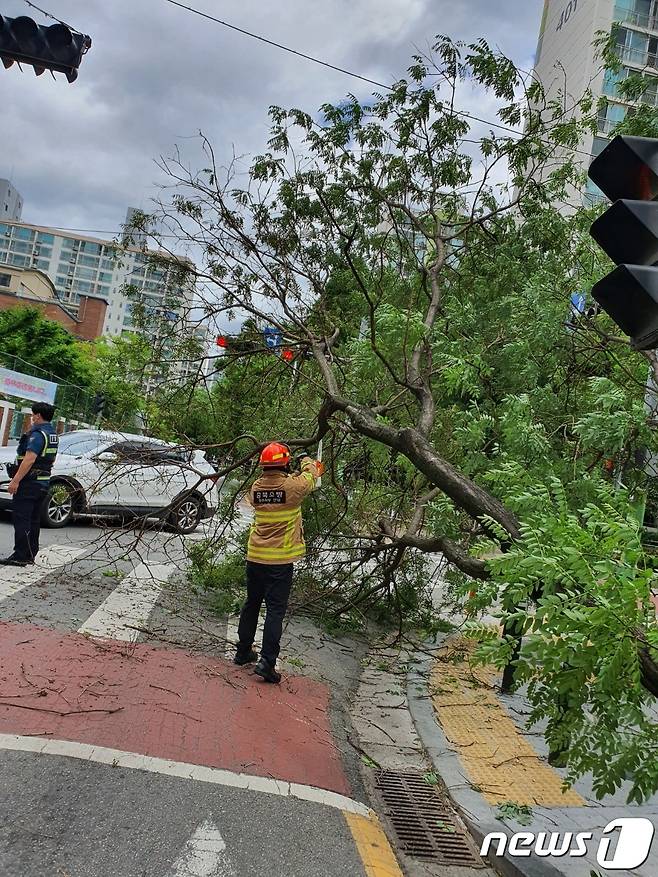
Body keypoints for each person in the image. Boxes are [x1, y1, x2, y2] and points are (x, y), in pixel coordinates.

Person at [234, 442, 322, 683]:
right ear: (285, 462)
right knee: (274, 610)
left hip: (255, 556)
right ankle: (267, 662)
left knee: (252, 603)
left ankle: (243, 651)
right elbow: (311, 475)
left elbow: (278, 488)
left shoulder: (256, 488)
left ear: (263, 465)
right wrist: (305, 459)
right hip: (279, 562)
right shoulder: (293, 488)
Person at [0, 401, 58, 567]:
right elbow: (52, 458)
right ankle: (31, 553)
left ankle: (21, 555)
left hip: (29, 483)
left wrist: (15, 481)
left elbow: (29, 459)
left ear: (38, 416)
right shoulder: (52, 434)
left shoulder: (38, 434)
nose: (32, 417)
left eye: (33, 415)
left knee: (22, 519)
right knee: (33, 520)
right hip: (42, 482)